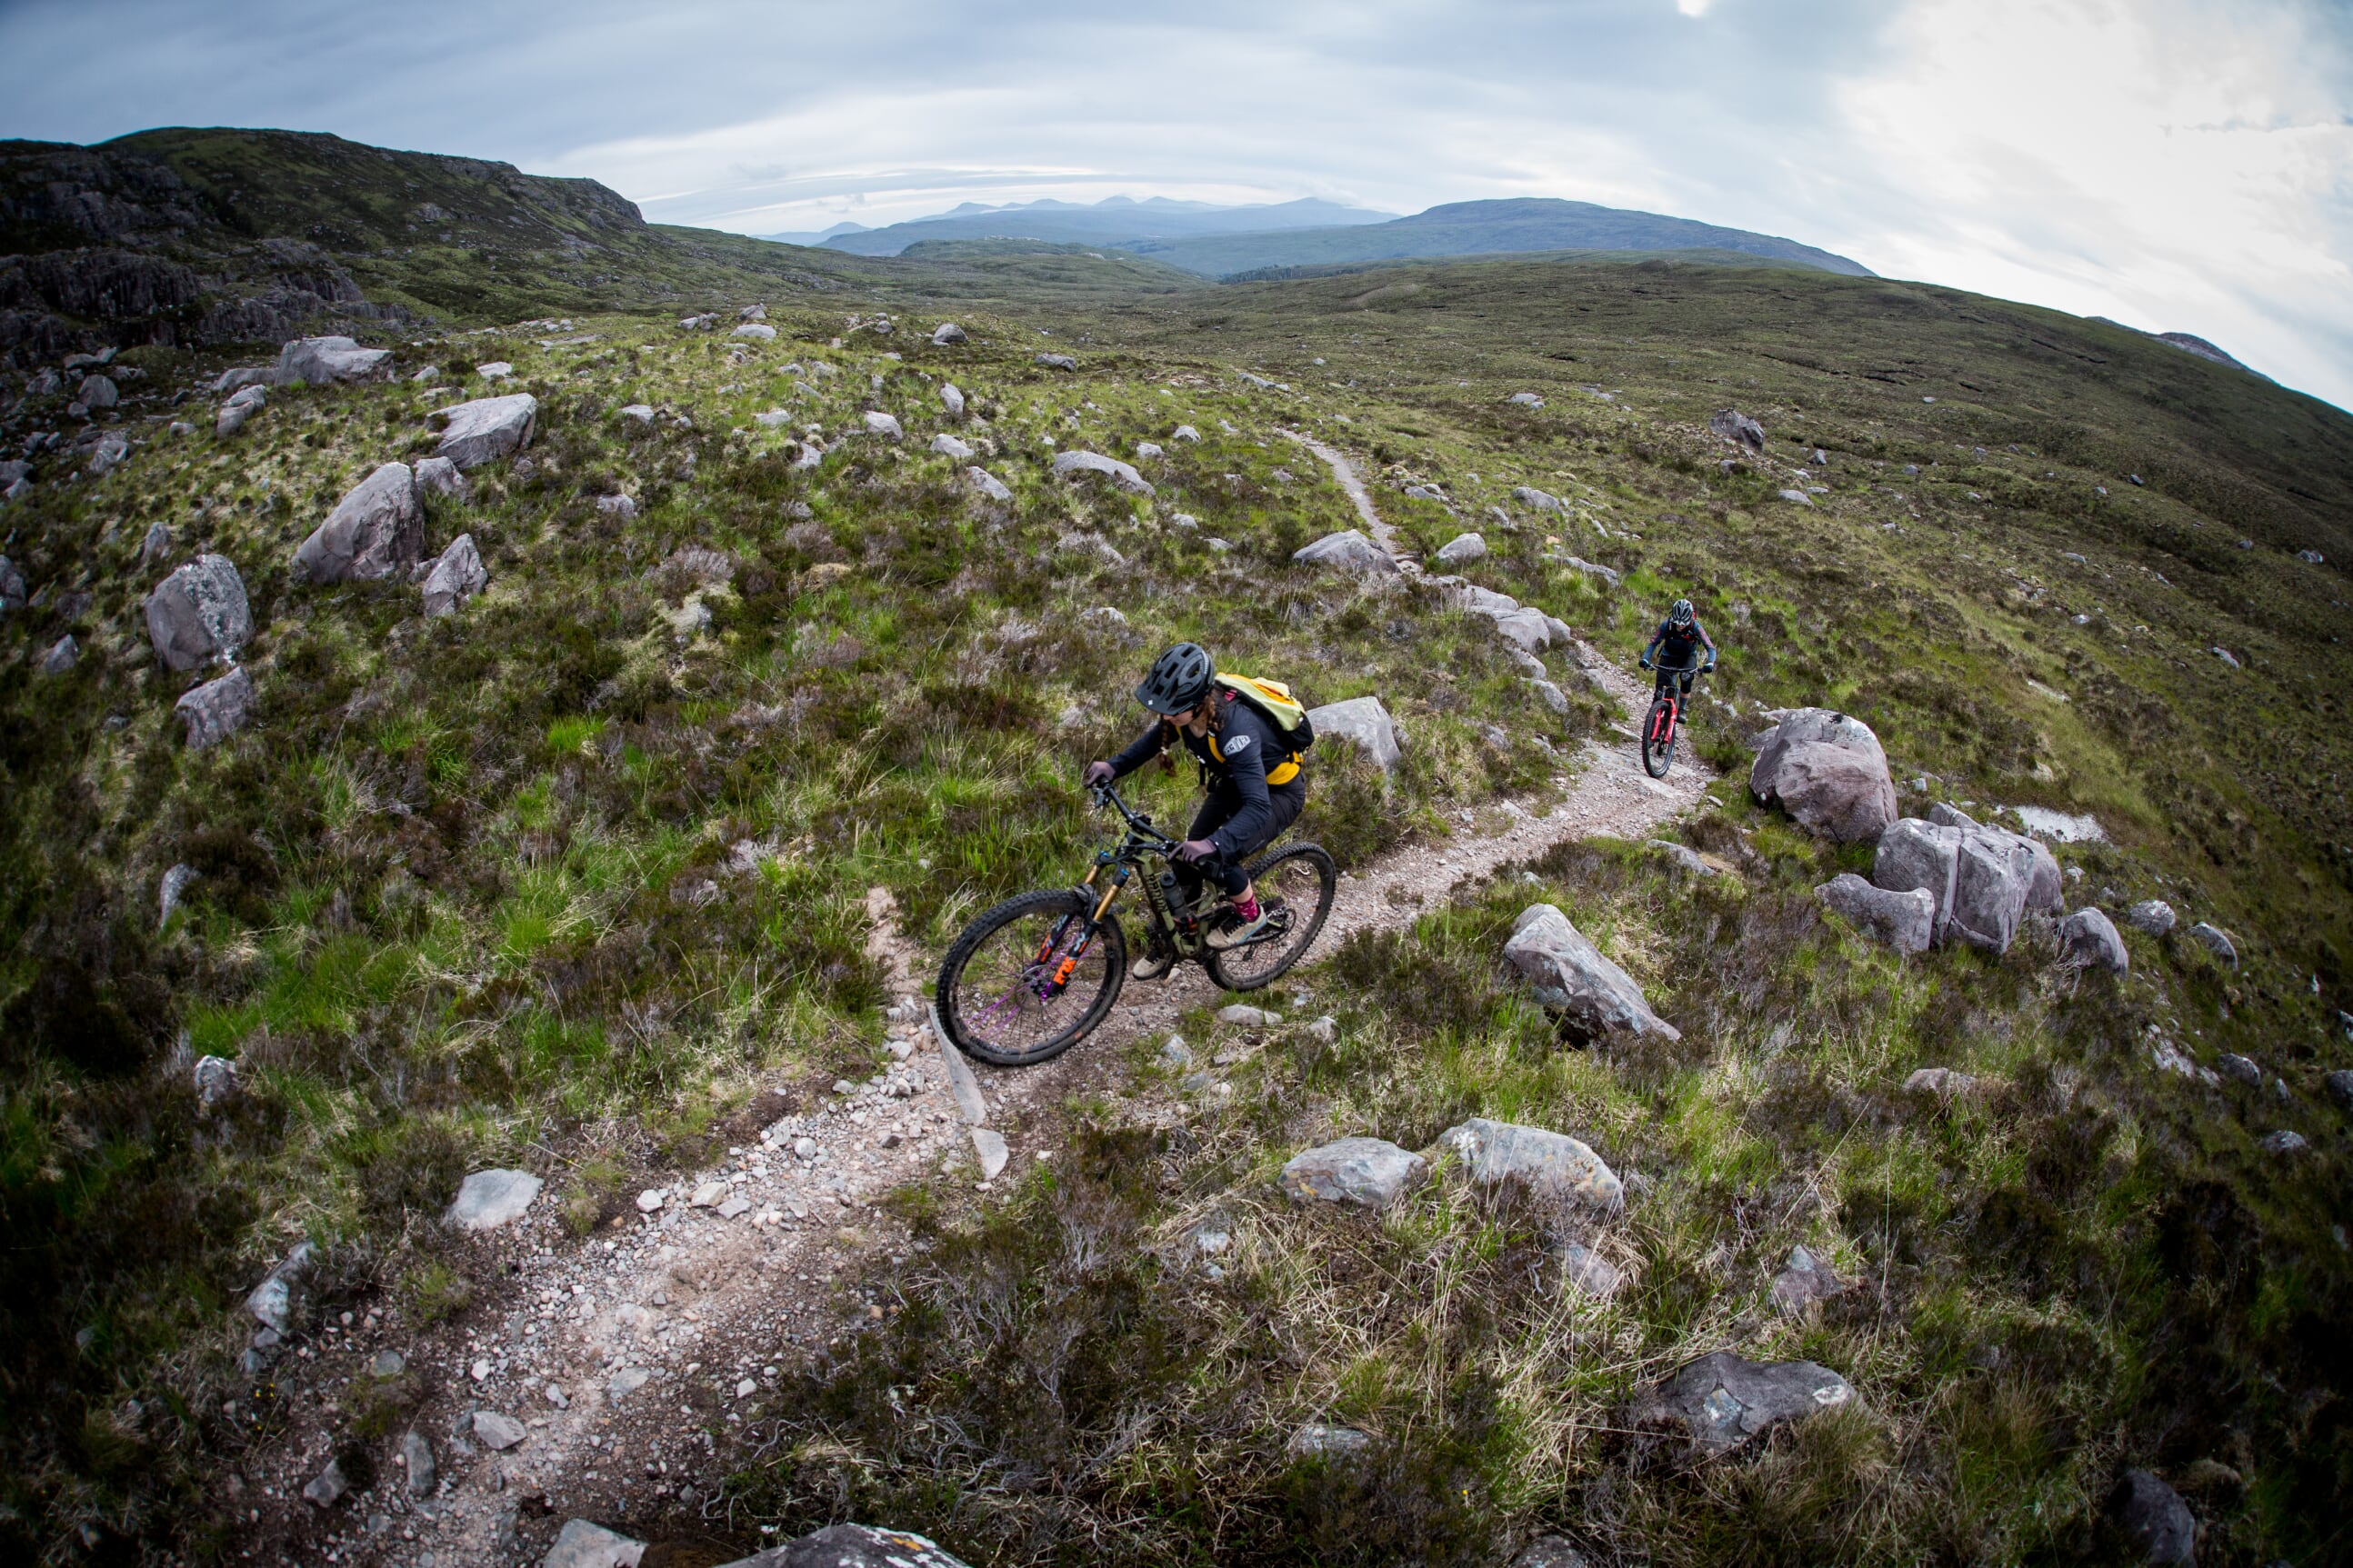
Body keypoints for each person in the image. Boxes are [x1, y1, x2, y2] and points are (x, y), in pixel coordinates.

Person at [1084, 642, 1308, 965]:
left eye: (1172, 710)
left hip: (1278, 794)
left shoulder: (1235, 729)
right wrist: (1114, 766)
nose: (1165, 716)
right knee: (1185, 856)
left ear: (1198, 702)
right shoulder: (1184, 714)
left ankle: (1251, 916)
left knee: (1217, 856)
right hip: (1236, 781)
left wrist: (1214, 843)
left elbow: (1258, 806)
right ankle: (1180, 932)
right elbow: (1154, 740)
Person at [1639, 597, 1717, 696]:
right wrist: (1645, 659)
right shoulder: (1666, 624)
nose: (1680, 626)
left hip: (1688, 657)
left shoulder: (1695, 627)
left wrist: (1710, 663)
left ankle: (1682, 706)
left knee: (1686, 680)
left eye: (1684, 624)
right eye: (1677, 623)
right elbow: (1653, 643)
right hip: (1668, 655)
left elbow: (1710, 648)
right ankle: (1657, 704)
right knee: (1659, 690)